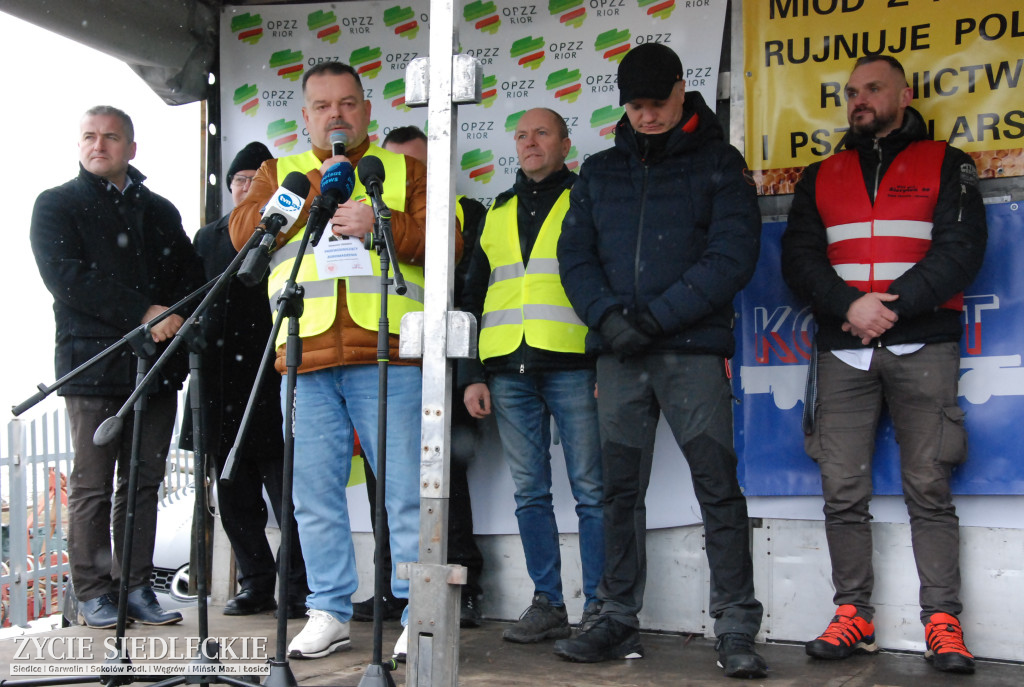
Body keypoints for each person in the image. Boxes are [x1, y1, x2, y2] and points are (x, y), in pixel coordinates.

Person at [229, 61, 461, 660]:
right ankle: (329, 609)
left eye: (348, 103)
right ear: (305, 116)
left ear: (367, 109)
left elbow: (451, 241)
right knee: (311, 494)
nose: (337, 114)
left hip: (384, 351)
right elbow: (240, 235)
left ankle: (417, 611)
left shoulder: (404, 170)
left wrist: (380, 221)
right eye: (323, 105)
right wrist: (310, 200)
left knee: (408, 492)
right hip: (304, 353)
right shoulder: (283, 173)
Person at [553, 43, 767, 679]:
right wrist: (609, 319)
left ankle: (734, 626)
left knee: (717, 490)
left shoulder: (720, 164)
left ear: (682, 90)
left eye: (657, 103)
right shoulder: (598, 171)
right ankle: (615, 616)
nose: (646, 116)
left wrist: (652, 319)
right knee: (620, 492)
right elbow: (575, 258)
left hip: (692, 353)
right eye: (635, 106)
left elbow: (732, 256)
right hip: (620, 355)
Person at [780, 55, 986, 675]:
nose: (860, 99)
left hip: (922, 343)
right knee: (841, 489)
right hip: (843, 347)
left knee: (929, 485)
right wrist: (850, 305)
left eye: (873, 89)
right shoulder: (820, 175)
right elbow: (799, 259)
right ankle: (854, 616)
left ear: (903, 93)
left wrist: (888, 310)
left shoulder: (949, 163)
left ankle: (943, 623)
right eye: (851, 93)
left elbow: (962, 251)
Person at [30, 105, 202, 629]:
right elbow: (66, 278)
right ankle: (92, 591)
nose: (98, 145)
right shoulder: (57, 204)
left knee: (144, 482)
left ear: (132, 148)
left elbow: (190, 277)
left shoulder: (161, 210)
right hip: (93, 365)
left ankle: (134, 588)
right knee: (91, 486)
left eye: (110, 137)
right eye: (89, 137)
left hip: (155, 368)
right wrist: (143, 313)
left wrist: (174, 316)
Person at [461, 108, 604, 645]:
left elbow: (605, 281)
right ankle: (547, 603)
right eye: (520, 135)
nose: (529, 143)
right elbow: (473, 297)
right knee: (530, 494)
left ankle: (598, 608)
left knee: (593, 492)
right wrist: (473, 372)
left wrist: (603, 360)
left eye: (541, 133)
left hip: (574, 364)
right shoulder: (496, 209)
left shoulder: (587, 198)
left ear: (566, 143)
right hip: (507, 370)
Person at [350, 125, 487, 631]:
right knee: (383, 480)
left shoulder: (466, 214)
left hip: (442, 362)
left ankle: (464, 588)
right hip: (382, 357)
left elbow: (470, 293)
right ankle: (391, 588)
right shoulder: (361, 216)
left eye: (422, 166)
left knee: (444, 477)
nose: (413, 175)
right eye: (401, 165)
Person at [184, 141, 309, 619]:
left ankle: (296, 588)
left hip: (275, 374)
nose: (245, 189)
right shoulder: (207, 237)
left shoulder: (290, 231)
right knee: (234, 495)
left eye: (255, 183)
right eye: (239, 182)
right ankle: (255, 582)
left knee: (289, 495)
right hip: (220, 380)